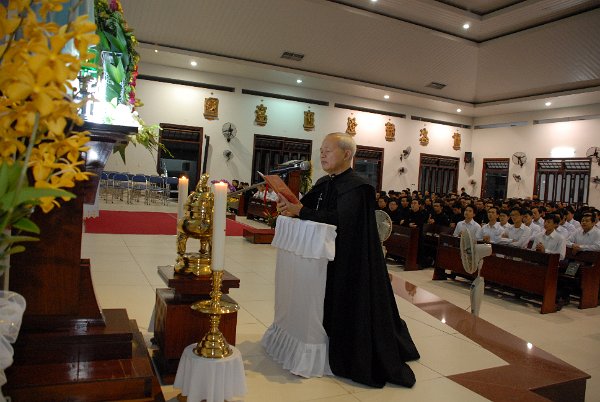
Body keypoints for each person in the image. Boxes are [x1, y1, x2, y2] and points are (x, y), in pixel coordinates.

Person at [276, 132, 419, 388]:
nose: (322, 155)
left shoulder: (358, 187)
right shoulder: (323, 182)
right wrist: (289, 208)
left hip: (349, 261)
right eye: (321, 150)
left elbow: (342, 221)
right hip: (320, 258)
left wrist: (302, 211)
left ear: (347, 154)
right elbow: (305, 208)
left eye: (328, 150)